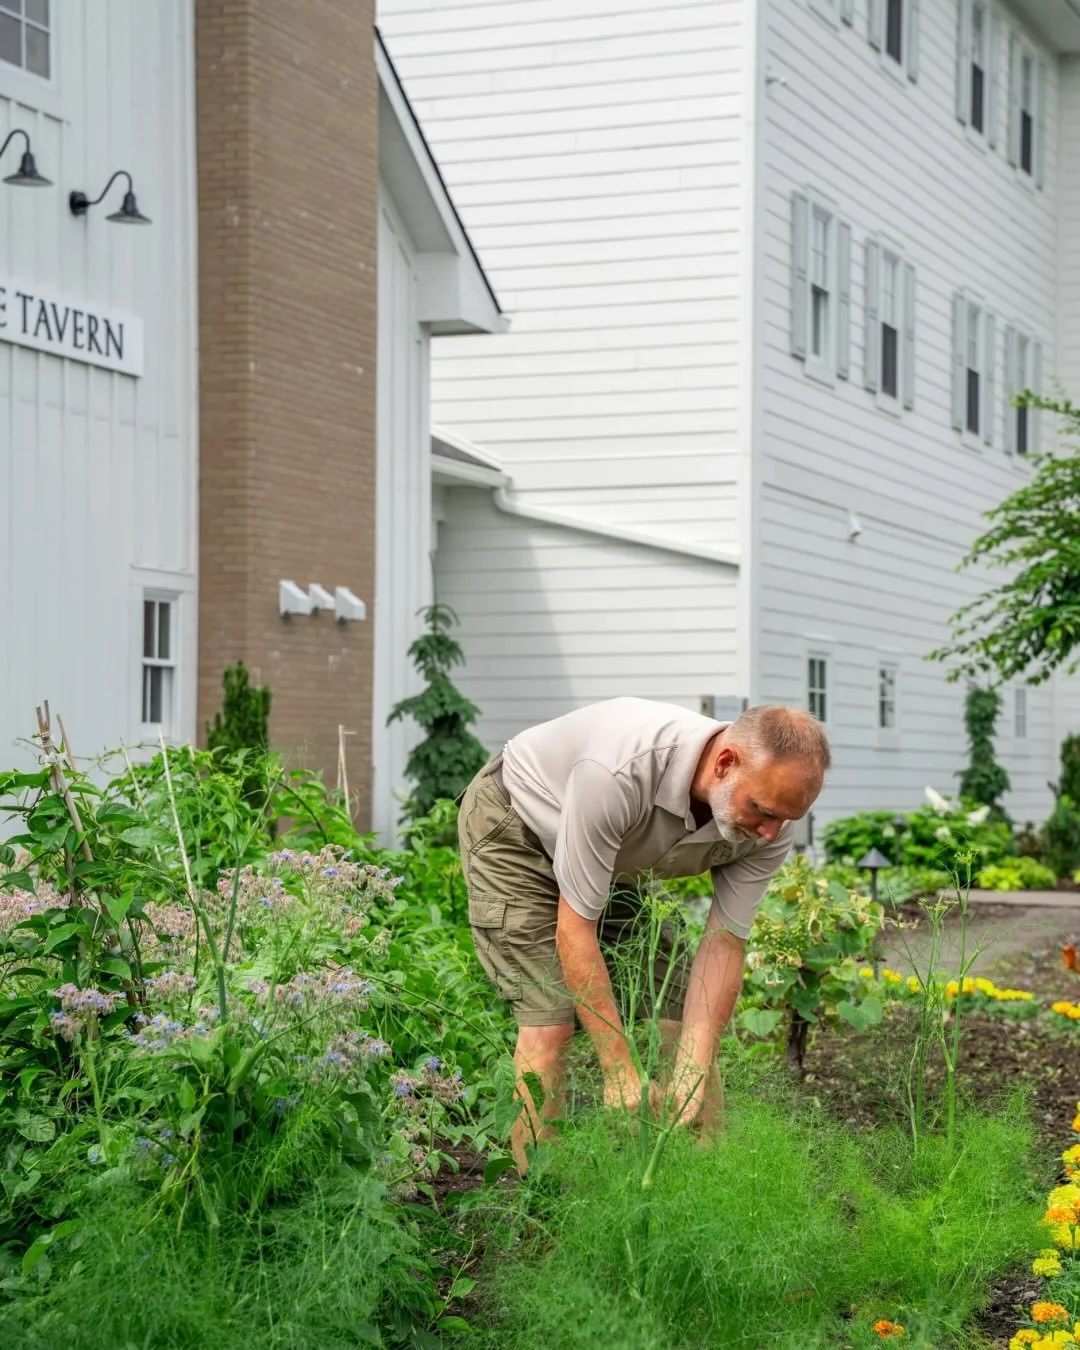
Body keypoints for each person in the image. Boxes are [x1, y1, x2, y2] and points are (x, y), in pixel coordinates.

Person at [457, 696, 830, 1170]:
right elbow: (576, 930)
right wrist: (619, 1071)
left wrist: (693, 1067)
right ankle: (542, 1210)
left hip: (613, 860)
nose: (770, 833)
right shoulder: (617, 771)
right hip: (522, 829)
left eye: (785, 819)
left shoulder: (768, 824)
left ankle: (705, 1185)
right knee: (551, 1023)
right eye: (761, 810)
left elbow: (725, 941)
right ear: (725, 763)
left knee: (681, 1023)